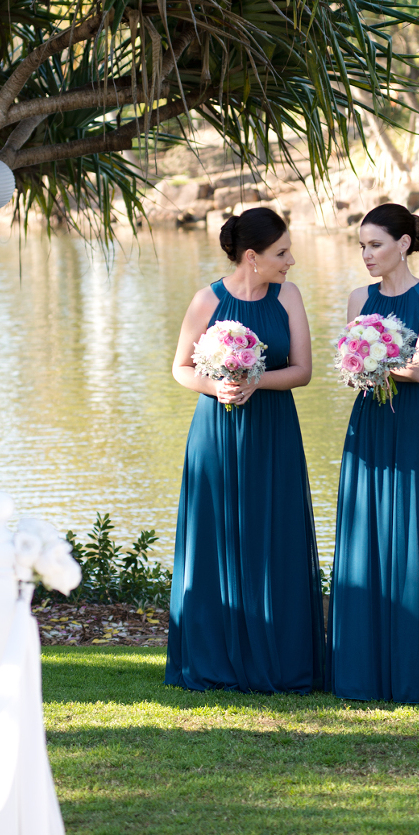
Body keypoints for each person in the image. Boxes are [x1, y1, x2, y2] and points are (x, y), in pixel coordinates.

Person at [165, 206, 325, 694]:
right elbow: (181, 368)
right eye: (282, 253)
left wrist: (255, 381)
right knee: (216, 537)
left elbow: (302, 370)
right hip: (217, 432)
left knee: (276, 534)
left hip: (274, 430)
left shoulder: (288, 296)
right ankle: (215, 659)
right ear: (252, 256)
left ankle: (282, 659)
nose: (291, 261)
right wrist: (217, 387)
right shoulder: (206, 300)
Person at [326, 203, 419, 703]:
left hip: (414, 426)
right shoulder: (359, 298)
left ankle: (409, 673)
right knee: (366, 538)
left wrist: (373, 361)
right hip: (370, 427)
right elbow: (350, 369)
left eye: (375, 244)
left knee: (413, 541)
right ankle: (361, 670)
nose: (366, 255)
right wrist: (361, 364)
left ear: (403, 244)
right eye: (362, 246)